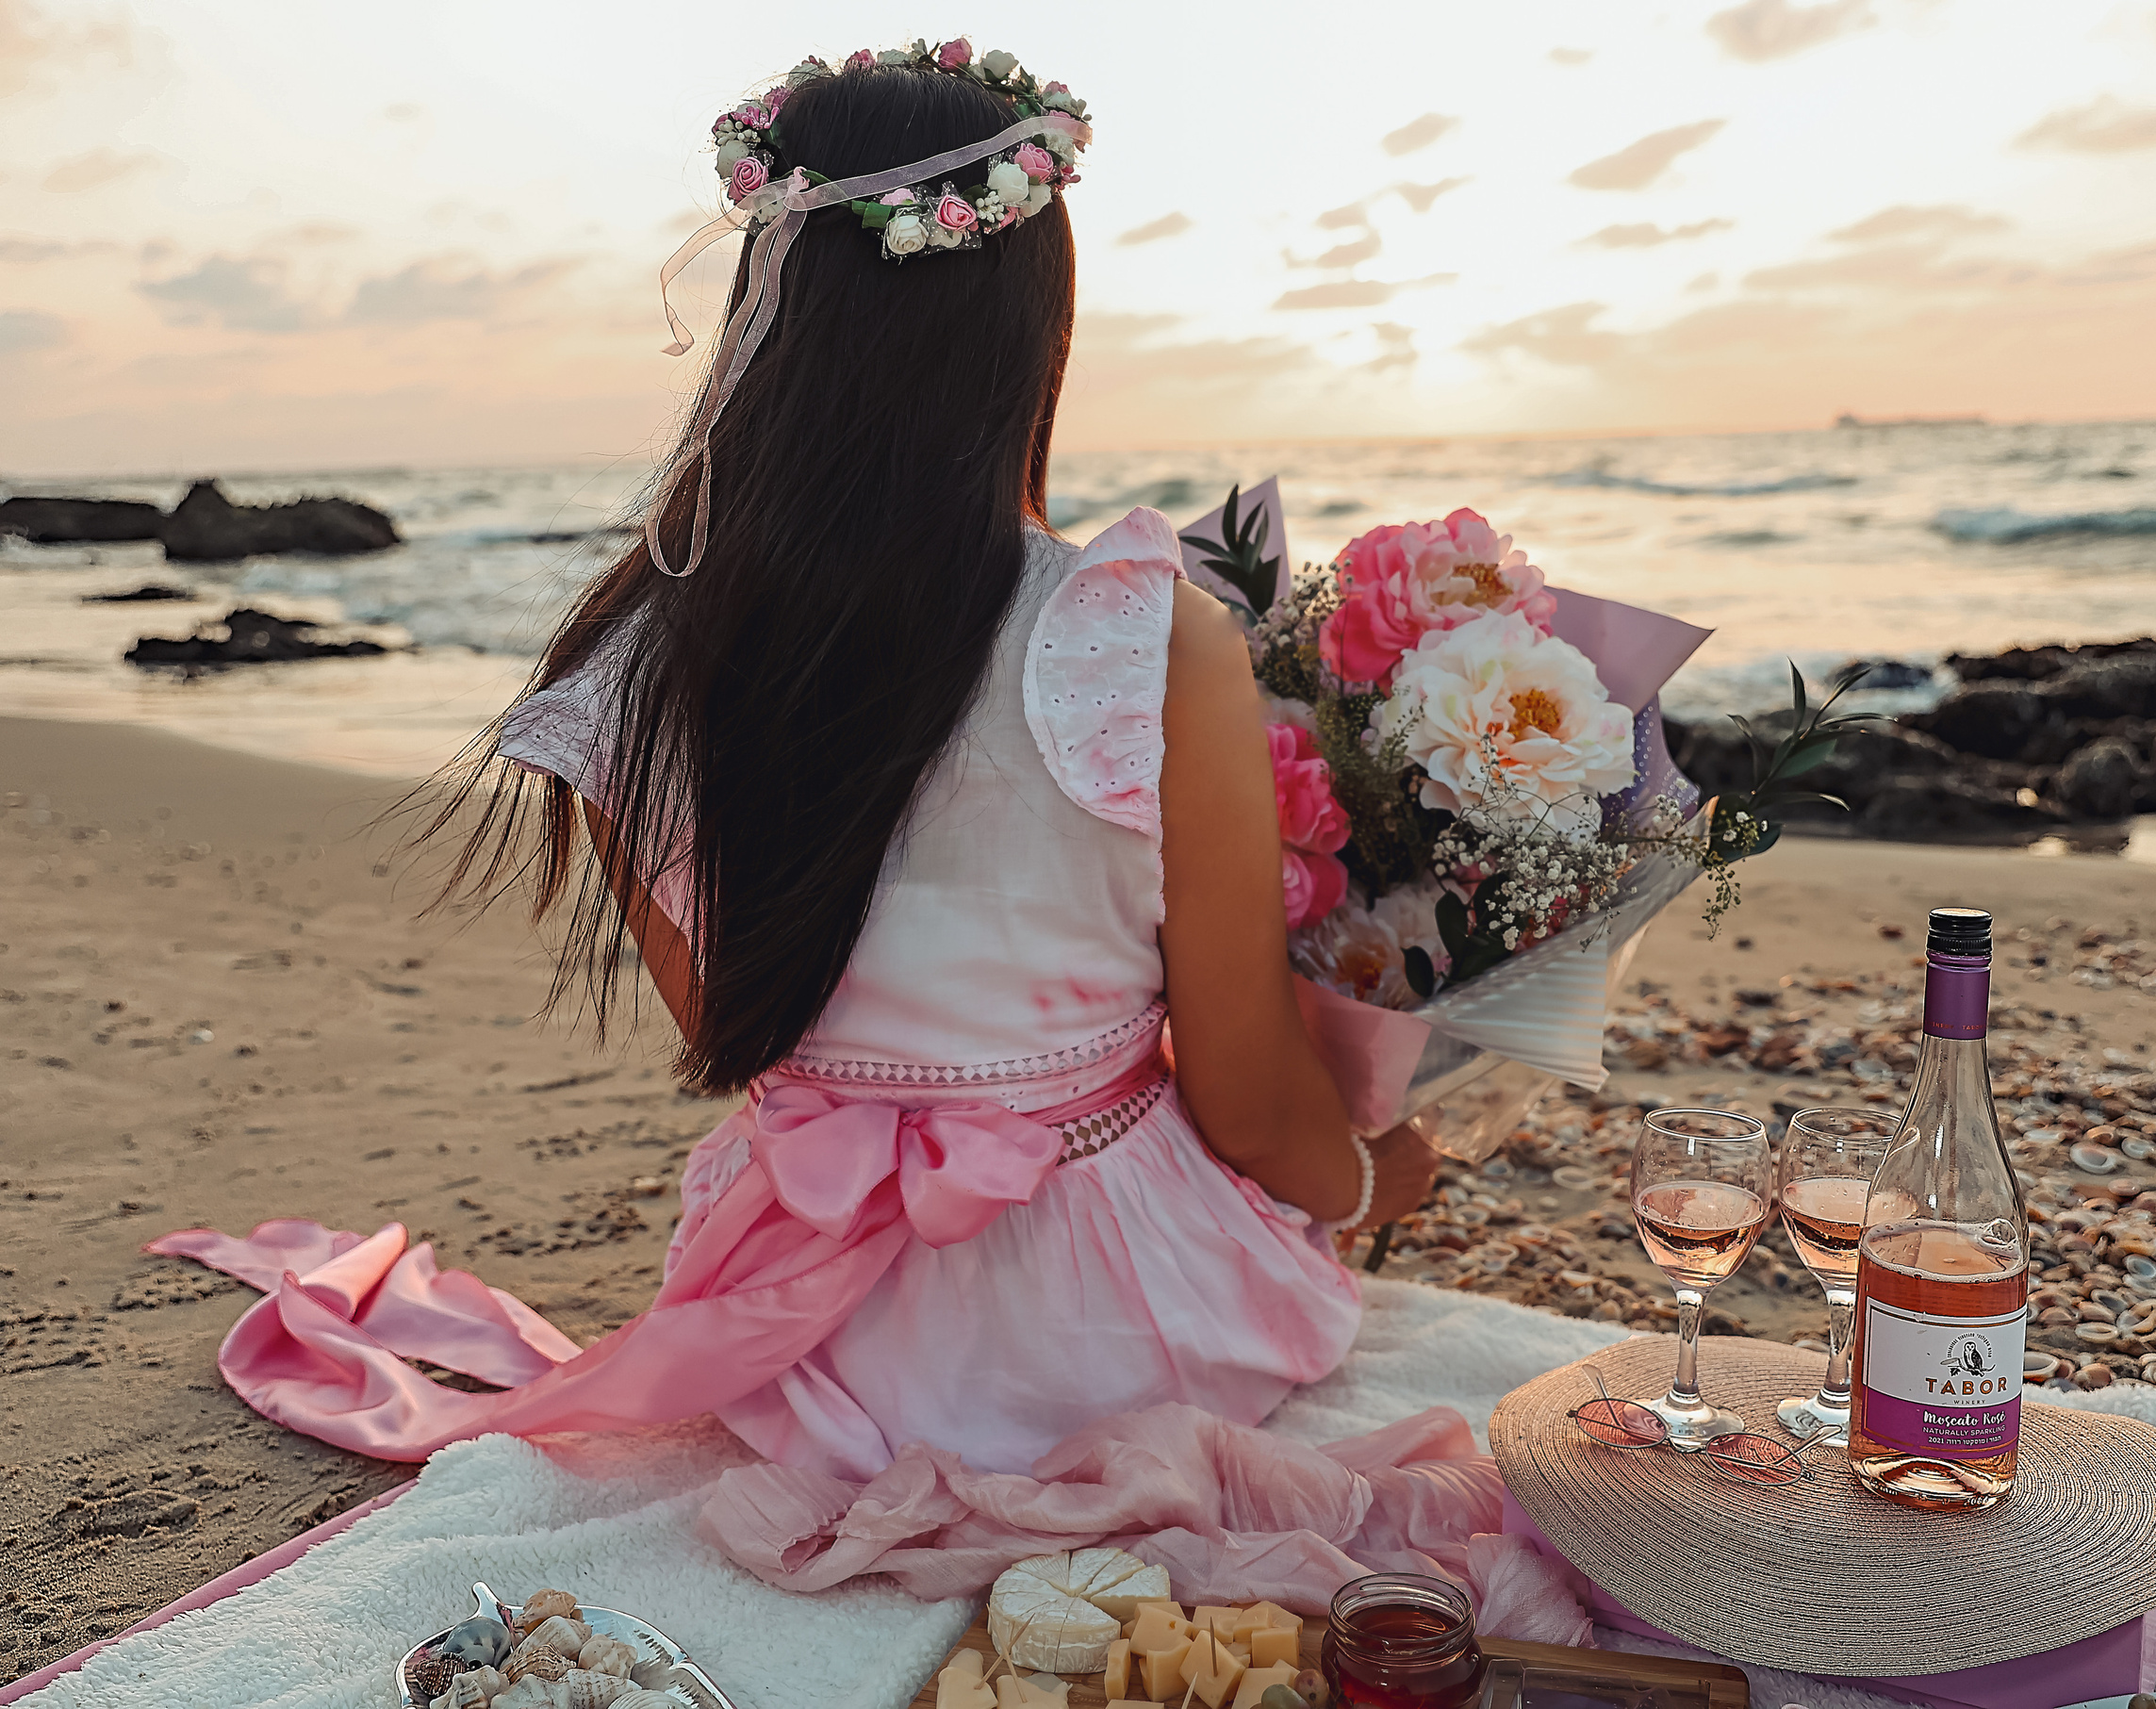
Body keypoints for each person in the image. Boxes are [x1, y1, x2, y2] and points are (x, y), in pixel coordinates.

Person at [161, 43, 1437, 1481]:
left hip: (807, 1330)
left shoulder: (629, 672)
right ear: (1033, 330)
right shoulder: (1145, 640)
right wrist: (1362, 1181)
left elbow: (744, 1034)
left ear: (769, 313)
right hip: (1112, 1321)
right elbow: (1246, 1090)